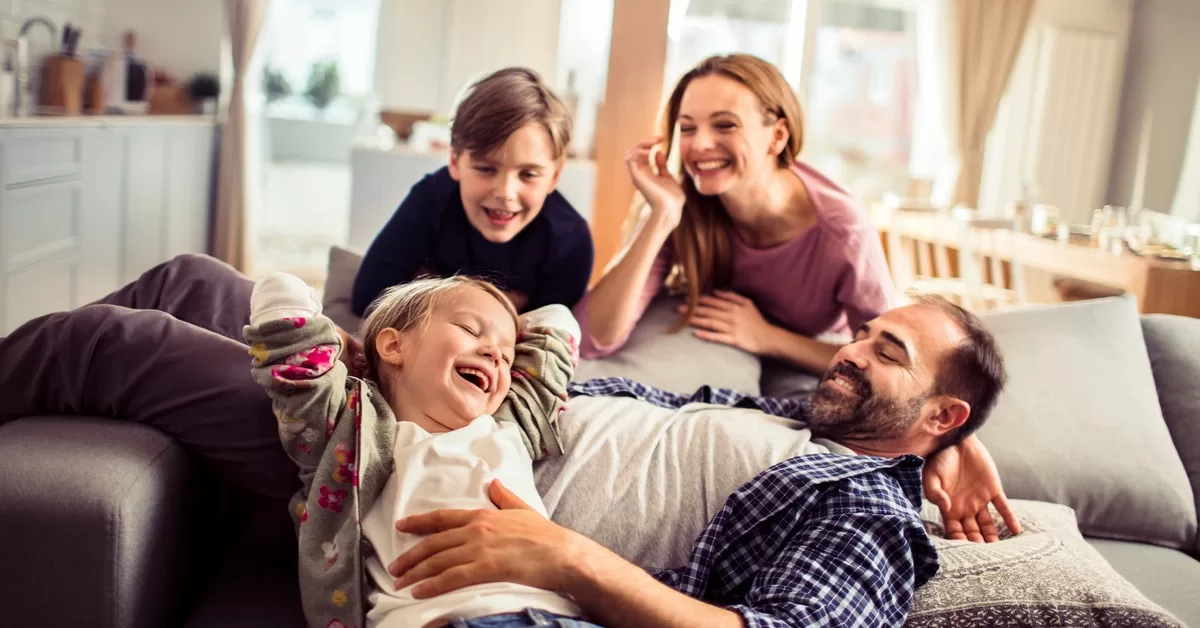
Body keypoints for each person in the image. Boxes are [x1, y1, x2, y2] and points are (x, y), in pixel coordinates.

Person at [0, 254, 1019, 626]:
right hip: (462, 401)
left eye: (886, 353)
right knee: (189, 279)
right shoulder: (797, 421)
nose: (851, 350)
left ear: (940, 413)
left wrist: (562, 556)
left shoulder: (863, 513)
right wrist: (941, 452)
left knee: (107, 345)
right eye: (871, 331)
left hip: (407, 469)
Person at [246, 271, 591, 628]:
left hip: (561, 616)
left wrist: (510, 323)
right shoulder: (353, 430)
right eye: (471, 330)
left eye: (507, 355)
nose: (494, 353)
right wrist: (354, 355)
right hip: (440, 618)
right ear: (394, 346)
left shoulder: (512, 422)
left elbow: (557, 325)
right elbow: (289, 336)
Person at [578, 53, 892, 375]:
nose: (699, 144)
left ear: (778, 136)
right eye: (687, 128)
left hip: (813, 352)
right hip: (727, 353)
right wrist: (661, 216)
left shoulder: (843, 229)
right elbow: (593, 338)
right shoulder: (681, 204)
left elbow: (884, 360)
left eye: (725, 125)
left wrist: (767, 337)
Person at [352, 67, 594, 317]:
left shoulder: (571, 241)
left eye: (528, 174)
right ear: (455, 162)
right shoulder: (434, 197)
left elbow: (547, 335)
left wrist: (426, 283)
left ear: (554, 175)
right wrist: (502, 306)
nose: (506, 192)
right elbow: (368, 296)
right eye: (486, 169)